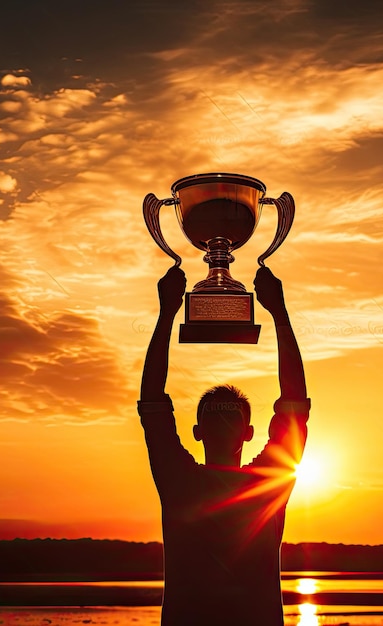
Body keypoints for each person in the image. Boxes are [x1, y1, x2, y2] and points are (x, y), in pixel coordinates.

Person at [138, 264, 310, 626]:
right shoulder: (265, 483)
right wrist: (278, 312)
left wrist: (168, 312)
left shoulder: (180, 480)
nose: (224, 423)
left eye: (228, 416)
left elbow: (153, 401)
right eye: (220, 416)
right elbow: (295, 402)